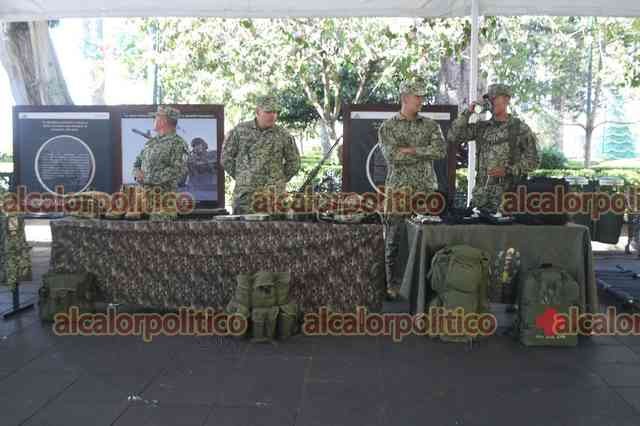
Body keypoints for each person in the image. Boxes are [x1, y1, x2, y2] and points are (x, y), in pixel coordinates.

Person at [378, 80, 447, 300]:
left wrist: (411, 150)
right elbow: (392, 156)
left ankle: (426, 285)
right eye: (417, 96)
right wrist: (422, 152)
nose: (421, 101)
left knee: (427, 238)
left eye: (422, 97)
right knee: (394, 238)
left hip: (425, 190)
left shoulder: (430, 125)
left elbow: (440, 151)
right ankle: (392, 285)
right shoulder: (388, 126)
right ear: (405, 98)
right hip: (398, 191)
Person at [448, 83, 539, 212]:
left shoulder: (519, 129)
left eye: (495, 97)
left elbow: (534, 160)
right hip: (481, 200)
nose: (491, 101)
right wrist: (468, 112)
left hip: (507, 201)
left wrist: (508, 170)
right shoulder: (482, 127)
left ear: (507, 99)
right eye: (489, 98)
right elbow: (453, 135)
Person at [221, 94, 301, 214]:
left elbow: (294, 162)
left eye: (275, 112)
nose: (273, 115)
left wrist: (278, 179)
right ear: (258, 111)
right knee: (241, 225)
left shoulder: (283, 135)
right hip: (246, 197)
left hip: (274, 198)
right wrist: (243, 177)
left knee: (276, 226)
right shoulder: (240, 131)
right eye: (268, 112)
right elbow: (226, 158)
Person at [132, 105, 189, 220]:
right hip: (144, 200)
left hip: (164, 203)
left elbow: (176, 171)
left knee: (157, 221)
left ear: (163, 121)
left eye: (156, 117)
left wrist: (146, 178)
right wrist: (136, 172)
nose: (154, 120)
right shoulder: (151, 142)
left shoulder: (177, 143)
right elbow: (137, 163)